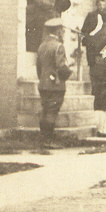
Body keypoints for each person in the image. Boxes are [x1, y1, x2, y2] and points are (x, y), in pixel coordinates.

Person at [83, 0, 106, 136]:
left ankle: (99, 128)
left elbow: (89, 53)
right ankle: (103, 129)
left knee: (98, 97)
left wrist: (93, 63)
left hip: (94, 69)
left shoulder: (94, 35)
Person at [36, 18, 73, 147]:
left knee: (45, 110)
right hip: (55, 85)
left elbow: (38, 66)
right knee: (52, 111)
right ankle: (48, 141)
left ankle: (43, 139)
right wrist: (69, 71)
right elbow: (61, 67)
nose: (62, 33)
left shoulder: (42, 46)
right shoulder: (58, 46)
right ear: (57, 31)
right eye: (62, 30)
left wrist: (43, 78)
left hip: (43, 84)